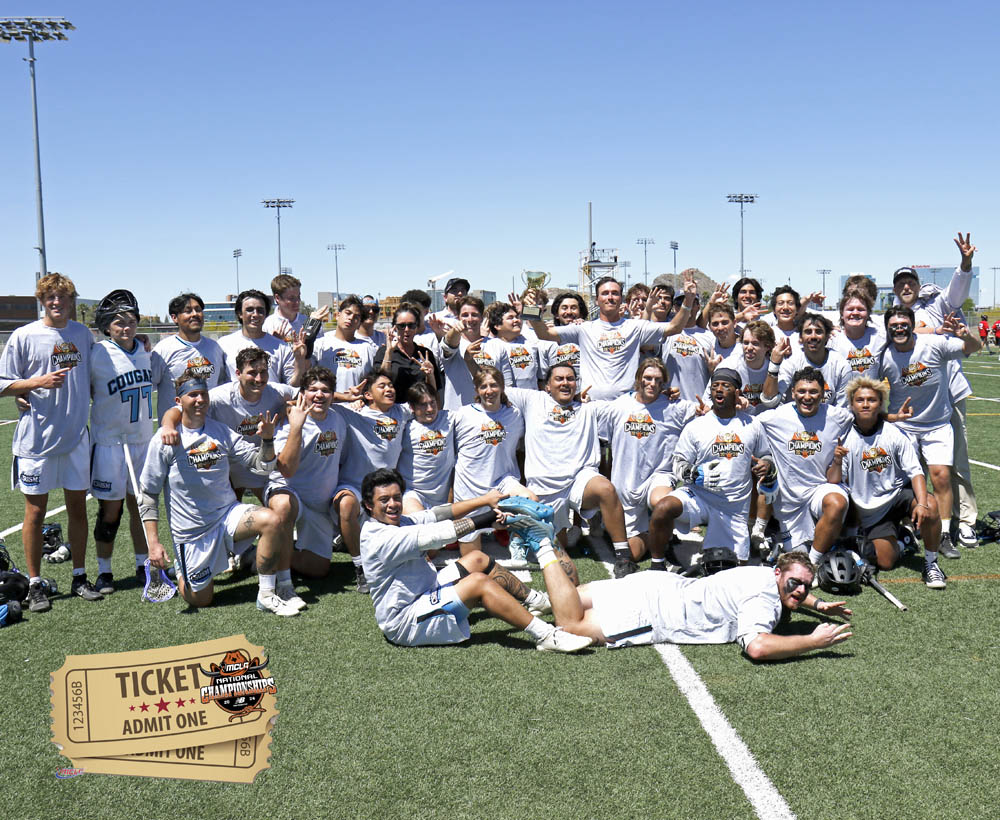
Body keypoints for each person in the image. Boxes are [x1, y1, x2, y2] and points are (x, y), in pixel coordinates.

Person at [515, 514, 852, 659]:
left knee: (567, 599)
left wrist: (817, 605)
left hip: (656, 582)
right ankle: (543, 545)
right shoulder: (763, 601)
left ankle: (533, 595)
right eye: (796, 585)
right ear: (779, 574)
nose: (799, 592)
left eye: (805, 589)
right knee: (569, 625)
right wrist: (811, 640)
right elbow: (757, 647)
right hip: (652, 614)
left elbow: (791, 587)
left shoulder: (766, 572)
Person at [359, 468, 589, 652]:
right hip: (405, 620)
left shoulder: (401, 522)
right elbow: (438, 534)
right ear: (369, 505)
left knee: (476, 558)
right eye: (384, 500)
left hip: (425, 589)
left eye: (397, 498)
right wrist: (490, 518)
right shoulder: (379, 538)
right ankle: (546, 635)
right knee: (478, 582)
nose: (393, 504)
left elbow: (440, 513)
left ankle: (537, 601)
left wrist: (486, 500)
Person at [138, 374, 298, 616]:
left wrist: (267, 440)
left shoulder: (220, 431)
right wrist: (154, 544)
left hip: (226, 515)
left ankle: (266, 594)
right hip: (193, 532)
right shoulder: (165, 440)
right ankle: (184, 571)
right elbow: (148, 494)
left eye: (203, 394)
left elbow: (260, 466)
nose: (200, 399)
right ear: (178, 400)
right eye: (193, 395)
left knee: (273, 520)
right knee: (200, 600)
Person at [0, 273, 99, 611]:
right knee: (36, 512)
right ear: (42, 301)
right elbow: (3, 382)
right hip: (36, 441)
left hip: (74, 439)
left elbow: (100, 368)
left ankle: (80, 576)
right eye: (50, 297)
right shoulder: (24, 336)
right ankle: (34, 584)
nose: (56, 303)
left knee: (77, 509)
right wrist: (34, 382)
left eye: (62, 297)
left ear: (72, 301)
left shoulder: (82, 335)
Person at [504, 364, 635, 577]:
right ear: (547, 386)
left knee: (606, 489)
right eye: (559, 379)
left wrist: (663, 394)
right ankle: (549, 531)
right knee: (556, 551)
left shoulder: (589, 408)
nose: (565, 383)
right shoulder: (532, 400)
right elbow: (493, 385)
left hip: (580, 480)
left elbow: (631, 402)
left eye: (570, 379)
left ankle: (624, 557)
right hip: (544, 487)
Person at [879, 306, 980, 558]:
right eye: (893, 325)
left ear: (912, 325)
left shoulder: (934, 344)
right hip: (904, 426)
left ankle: (944, 533)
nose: (899, 328)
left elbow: (973, 348)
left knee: (941, 477)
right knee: (905, 482)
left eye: (904, 323)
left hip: (937, 424)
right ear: (887, 329)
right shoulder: (884, 355)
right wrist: (889, 418)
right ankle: (909, 529)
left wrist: (965, 335)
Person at [825, 378, 945, 588]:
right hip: (870, 509)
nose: (865, 404)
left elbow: (916, 472)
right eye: (860, 400)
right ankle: (904, 539)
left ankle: (931, 563)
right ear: (852, 404)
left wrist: (923, 503)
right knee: (886, 561)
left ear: (880, 404)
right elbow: (834, 480)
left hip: (898, 496)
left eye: (871, 400)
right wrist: (836, 459)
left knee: (931, 505)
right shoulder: (844, 436)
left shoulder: (895, 433)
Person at [649, 368, 771, 563]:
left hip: (733, 505)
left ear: (737, 392)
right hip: (700, 495)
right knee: (663, 507)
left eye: (725, 386)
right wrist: (692, 474)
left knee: (732, 567)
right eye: (715, 386)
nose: (719, 390)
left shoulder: (753, 425)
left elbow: (766, 456)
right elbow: (678, 462)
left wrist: (766, 464)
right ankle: (657, 564)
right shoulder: (697, 426)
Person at [88, 289, 161, 594]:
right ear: (106, 326)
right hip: (110, 443)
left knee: (141, 506)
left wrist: (142, 336)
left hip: (142, 440)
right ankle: (104, 570)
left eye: (131, 320)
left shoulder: (146, 349)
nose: (126, 327)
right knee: (110, 511)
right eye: (119, 322)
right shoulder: (97, 354)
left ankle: (142, 564)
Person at [521, 273, 695, 400]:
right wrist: (532, 310)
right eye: (605, 293)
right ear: (597, 300)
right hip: (591, 405)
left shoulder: (635, 326)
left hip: (627, 406)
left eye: (615, 293)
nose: (610, 297)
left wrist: (688, 299)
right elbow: (544, 334)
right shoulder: (584, 328)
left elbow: (674, 327)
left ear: (621, 299)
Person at [597, 358, 698, 567]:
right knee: (631, 554)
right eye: (648, 378)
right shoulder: (618, 407)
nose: (652, 384)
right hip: (626, 483)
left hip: (659, 476)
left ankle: (664, 534)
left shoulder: (674, 407)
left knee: (662, 502)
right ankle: (656, 533)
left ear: (664, 384)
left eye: (658, 380)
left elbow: (707, 412)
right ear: (638, 380)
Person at [756, 367, 854, 564]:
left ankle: (814, 562)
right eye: (801, 391)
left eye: (813, 392)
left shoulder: (840, 417)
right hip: (790, 500)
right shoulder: (774, 417)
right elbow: (744, 428)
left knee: (837, 503)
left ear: (823, 394)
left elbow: (867, 417)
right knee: (795, 557)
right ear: (793, 392)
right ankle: (767, 532)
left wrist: (892, 418)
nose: (807, 397)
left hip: (821, 489)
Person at [265, 367, 346, 595]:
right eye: (312, 390)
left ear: (333, 395)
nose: (319, 395)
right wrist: (296, 427)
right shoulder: (291, 421)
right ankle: (280, 584)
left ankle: (265, 553)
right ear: (302, 394)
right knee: (284, 506)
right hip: (288, 492)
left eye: (326, 390)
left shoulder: (338, 420)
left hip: (318, 505)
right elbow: (286, 469)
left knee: (318, 569)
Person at [333, 369, 413, 592]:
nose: (389, 389)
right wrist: (347, 397)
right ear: (368, 395)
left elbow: (426, 401)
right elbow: (314, 397)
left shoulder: (401, 411)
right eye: (382, 386)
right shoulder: (353, 413)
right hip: (354, 484)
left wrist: (431, 376)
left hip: (385, 488)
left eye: (391, 385)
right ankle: (360, 567)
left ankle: (351, 538)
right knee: (346, 504)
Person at [451, 366, 533, 555]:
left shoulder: (515, 415)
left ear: (502, 387)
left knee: (531, 501)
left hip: (503, 482)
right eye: (484, 386)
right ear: (477, 391)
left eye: (494, 385)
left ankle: (517, 540)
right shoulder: (463, 414)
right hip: (469, 489)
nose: (489, 391)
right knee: (473, 559)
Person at [150, 293, 227, 422]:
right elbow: (149, 386)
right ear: (174, 318)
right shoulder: (163, 350)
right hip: (176, 431)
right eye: (188, 311)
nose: (194, 314)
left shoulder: (215, 348)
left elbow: (220, 384)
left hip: (210, 428)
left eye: (198, 310)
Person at [217, 289, 306, 386]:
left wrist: (299, 361)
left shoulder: (281, 347)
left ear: (266, 314)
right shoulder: (223, 345)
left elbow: (293, 387)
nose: (255, 314)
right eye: (249, 310)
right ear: (240, 313)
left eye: (260, 310)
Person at [769, 313, 851, 407]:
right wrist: (774, 364)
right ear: (800, 338)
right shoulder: (791, 363)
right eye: (808, 332)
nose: (813, 336)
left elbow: (843, 409)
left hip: (828, 419)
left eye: (818, 331)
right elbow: (770, 400)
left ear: (827, 337)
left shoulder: (841, 365)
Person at [398, 383, 456, 514]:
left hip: (443, 497)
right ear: (412, 407)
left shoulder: (449, 419)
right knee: (419, 525)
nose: (430, 409)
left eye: (432, 403)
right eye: (423, 405)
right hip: (413, 494)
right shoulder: (404, 428)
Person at [438, 296, 498, 409]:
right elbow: (449, 344)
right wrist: (455, 331)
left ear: (482, 317)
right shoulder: (454, 342)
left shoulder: (495, 345)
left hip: (488, 413)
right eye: (465, 315)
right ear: (458, 317)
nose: (470, 319)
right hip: (457, 413)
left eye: (474, 315)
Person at [376, 303, 443, 403]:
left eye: (411, 325)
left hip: (421, 411)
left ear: (416, 327)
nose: (406, 330)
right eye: (402, 326)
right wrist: (389, 352)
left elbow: (434, 391)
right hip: (393, 411)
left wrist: (430, 375)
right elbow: (379, 382)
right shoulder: (384, 352)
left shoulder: (425, 354)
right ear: (395, 328)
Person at [313, 295, 377, 394]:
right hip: (327, 407)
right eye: (348, 313)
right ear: (337, 315)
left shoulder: (368, 348)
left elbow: (376, 381)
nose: (351, 318)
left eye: (357, 317)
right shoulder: (320, 344)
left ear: (359, 323)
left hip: (357, 407)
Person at [662, 291, 713, 401]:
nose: (687, 305)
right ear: (674, 307)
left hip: (699, 408)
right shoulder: (665, 332)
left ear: (698, 306)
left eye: (692, 302)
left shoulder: (710, 337)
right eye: (680, 302)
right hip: (669, 406)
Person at [828, 289, 885, 382]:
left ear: (868, 313)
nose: (855, 313)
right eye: (850, 309)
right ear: (842, 314)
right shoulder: (832, 339)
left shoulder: (880, 337)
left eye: (860, 309)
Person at [483, 301, 540, 389]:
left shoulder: (529, 340)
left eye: (517, 317)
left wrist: (526, 309)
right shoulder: (491, 346)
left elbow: (541, 326)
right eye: (510, 318)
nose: (516, 320)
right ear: (497, 325)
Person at [262, 272, 329, 341]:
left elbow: (319, 349)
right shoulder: (268, 325)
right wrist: (276, 342)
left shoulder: (308, 322)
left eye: (298, 296)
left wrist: (310, 328)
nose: (297, 302)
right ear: (277, 298)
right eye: (291, 298)